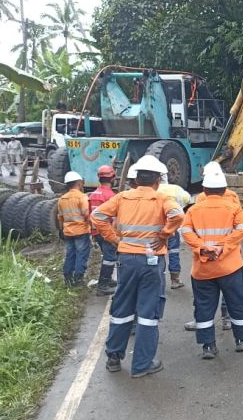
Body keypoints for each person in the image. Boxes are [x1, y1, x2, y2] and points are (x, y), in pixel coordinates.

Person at [92, 155, 184, 378]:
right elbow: (178, 215)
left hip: (126, 259)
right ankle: (142, 364)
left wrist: (114, 239)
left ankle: (114, 357)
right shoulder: (161, 199)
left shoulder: (122, 198)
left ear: (135, 179)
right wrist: (164, 234)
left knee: (122, 307)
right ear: (157, 180)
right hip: (151, 262)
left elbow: (97, 216)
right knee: (147, 312)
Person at [181, 161, 243, 357]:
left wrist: (203, 248)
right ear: (224, 188)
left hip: (203, 269)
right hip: (231, 267)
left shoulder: (194, 210)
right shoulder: (233, 207)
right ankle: (242, 340)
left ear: (204, 188)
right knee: (237, 303)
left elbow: (186, 232)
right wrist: (224, 247)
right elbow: (241, 230)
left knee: (204, 306)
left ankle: (208, 346)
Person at [57, 171, 92, 286]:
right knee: (81, 254)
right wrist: (91, 227)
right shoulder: (82, 197)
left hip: (68, 232)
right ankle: (78, 279)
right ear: (79, 183)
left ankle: (67, 278)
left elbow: (60, 217)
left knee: (70, 254)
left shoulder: (62, 199)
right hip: (81, 231)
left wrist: (61, 230)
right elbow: (87, 214)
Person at [89, 164, 119, 296]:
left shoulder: (93, 194)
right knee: (110, 257)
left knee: (107, 256)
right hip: (107, 232)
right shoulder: (111, 196)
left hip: (96, 231)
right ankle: (103, 285)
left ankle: (107, 280)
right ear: (113, 177)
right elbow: (114, 218)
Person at [157, 173, 191, 289]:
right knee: (173, 251)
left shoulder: (152, 190)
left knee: (156, 252)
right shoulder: (175, 189)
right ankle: (175, 280)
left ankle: (158, 278)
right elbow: (187, 199)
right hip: (172, 226)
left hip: (156, 227)